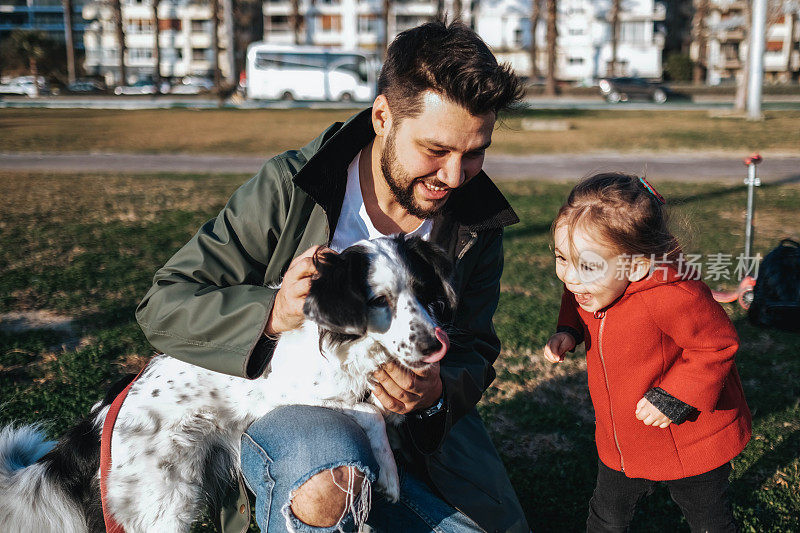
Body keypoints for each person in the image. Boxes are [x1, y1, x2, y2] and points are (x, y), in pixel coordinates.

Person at [136, 20, 530, 533]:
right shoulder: (291, 187)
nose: (454, 177)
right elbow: (165, 303)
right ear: (383, 116)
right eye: (435, 150)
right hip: (296, 414)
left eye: (474, 152)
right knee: (330, 481)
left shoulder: (476, 221)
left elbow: (475, 347)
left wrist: (436, 394)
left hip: (417, 439)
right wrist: (271, 315)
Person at [543, 172, 752, 532]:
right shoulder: (594, 286)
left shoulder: (672, 294)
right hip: (625, 439)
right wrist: (569, 330)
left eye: (587, 265)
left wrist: (674, 397)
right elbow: (575, 300)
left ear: (636, 265)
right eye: (562, 258)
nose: (571, 277)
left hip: (689, 438)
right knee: (606, 515)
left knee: (709, 519)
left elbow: (716, 345)